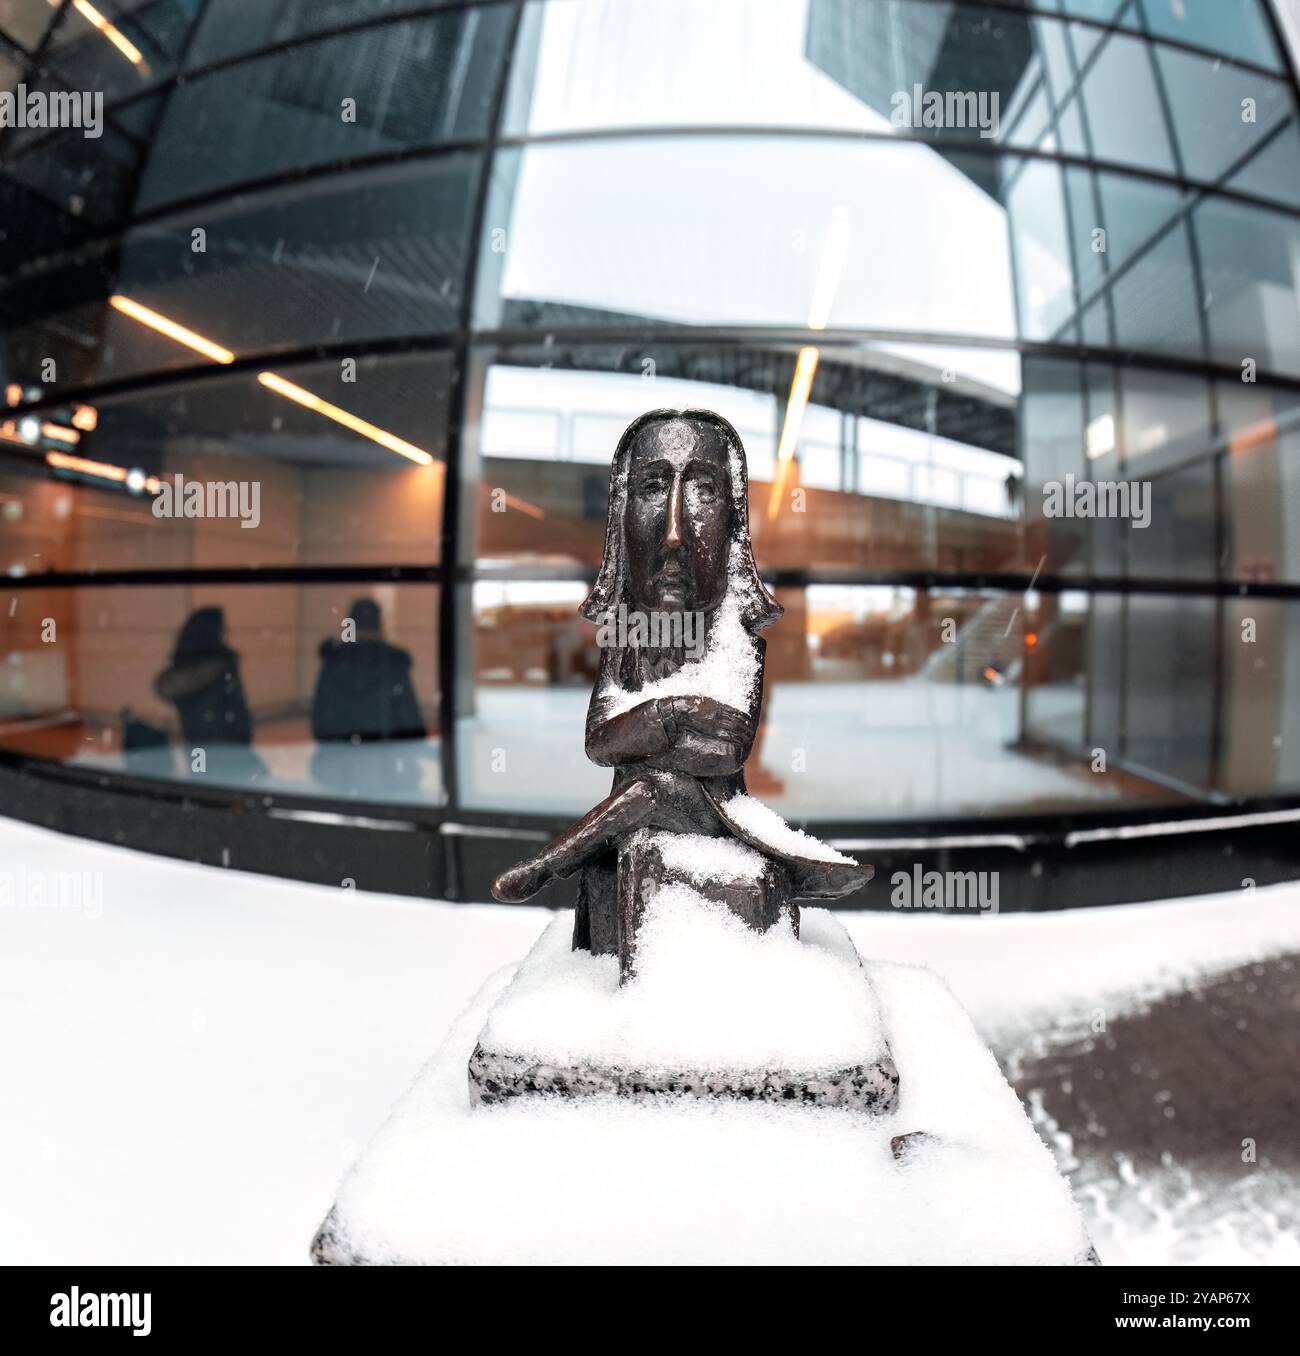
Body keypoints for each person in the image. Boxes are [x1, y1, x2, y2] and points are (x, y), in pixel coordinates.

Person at [490, 410, 870, 959]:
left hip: (715, 818)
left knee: (654, 788)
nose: (675, 530)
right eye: (651, 487)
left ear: (734, 520)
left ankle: (548, 864)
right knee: (653, 788)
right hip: (639, 812)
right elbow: (600, 742)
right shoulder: (626, 633)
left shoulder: (737, 640)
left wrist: (646, 731)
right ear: (620, 519)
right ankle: (550, 864)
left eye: (704, 491)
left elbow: (723, 752)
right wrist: (676, 712)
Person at [309, 598, 426, 796]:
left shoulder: (334, 661)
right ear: (380, 624)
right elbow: (408, 714)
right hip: (385, 764)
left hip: (338, 764)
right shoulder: (392, 663)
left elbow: (319, 713)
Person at [154, 607, 265, 783]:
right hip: (225, 749)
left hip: (206, 749)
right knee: (209, 789)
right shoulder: (221, 667)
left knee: (203, 788)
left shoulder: (189, 669)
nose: (226, 634)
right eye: (222, 630)